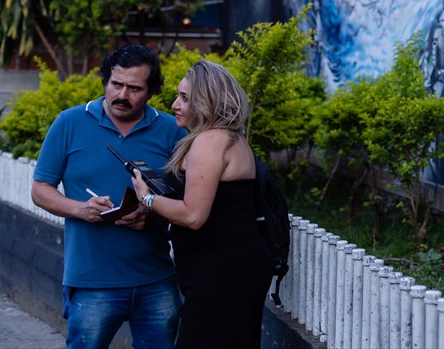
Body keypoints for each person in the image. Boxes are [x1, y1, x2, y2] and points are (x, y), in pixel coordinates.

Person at [32, 44, 184, 348]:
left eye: (134, 88)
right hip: (91, 281)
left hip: (156, 277)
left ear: (151, 92)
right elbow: (40, 191)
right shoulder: (69, 123)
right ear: (105, 81)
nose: (122, 95)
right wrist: (80, 209)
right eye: (116, 84)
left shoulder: (172, 130)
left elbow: (190, 199)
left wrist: (152, 213)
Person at [131, 60, 272, 349]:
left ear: (206, 100)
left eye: (185, 98)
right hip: (228, 266)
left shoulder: (210, 140)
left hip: (222, 271)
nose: (175, 104)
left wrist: (147, 197)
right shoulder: (229, 137)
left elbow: (194, 215)